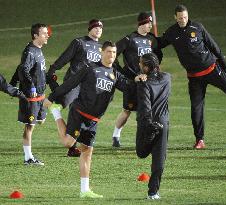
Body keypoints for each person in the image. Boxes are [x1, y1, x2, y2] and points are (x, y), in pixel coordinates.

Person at [43, 41, 146, 199]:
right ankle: (56, 112)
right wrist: (51, 98)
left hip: (94, 120)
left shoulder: (115, 74)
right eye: (108, 52)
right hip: (79, 112)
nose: (111, 55)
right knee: (68, 143)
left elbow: (128, 87)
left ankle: (84, 190)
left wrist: (140, 81)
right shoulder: (89, 68)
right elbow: (70, 83)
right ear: (102, 52)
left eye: (113, 52)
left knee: (87, 152)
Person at [158, 4, 226, 149]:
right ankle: (199, 140)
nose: (183, 20)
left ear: (187, 16)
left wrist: (224, 64)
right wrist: (148, 39)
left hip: (212, 69)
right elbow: (159, 44)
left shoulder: (197, 27)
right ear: (175, 17)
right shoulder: (171, 32)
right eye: (180, 18)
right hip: (194, 77)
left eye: (185, 17)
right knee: (196, 108)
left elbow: (213, 45)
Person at [46, 19, 103, 157]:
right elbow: (65, 58)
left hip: (88, 88)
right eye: (96, 27)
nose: (98, 30)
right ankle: (47, 109)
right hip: (74, 83)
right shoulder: (79, 42)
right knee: (62, 104)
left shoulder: (101, 47)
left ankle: (72, 147)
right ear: (90, 29)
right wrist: (53, 69)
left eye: (101, 28)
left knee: (79, 114)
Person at [111, 11, 163, 147]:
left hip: (147, 82)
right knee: (127, 111)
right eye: (148, 23)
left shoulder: (152, 40)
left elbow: (157, 57)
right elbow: (113, 54)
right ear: (141, 23)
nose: (150, 26)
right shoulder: (130, 39)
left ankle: (148, 137)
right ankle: (116, 135)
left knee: (147, 111)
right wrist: (124, 73)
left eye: (151, 23)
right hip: (132, 82)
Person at [136, 53, 171, 200]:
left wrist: (138, 81)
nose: (139, 65)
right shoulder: (167, 78)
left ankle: (150, 133)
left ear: (146, 67)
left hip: (148, 123)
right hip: (163, 123)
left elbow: (145, 107)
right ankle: (153, 193)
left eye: (141, 63)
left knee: (141, 153)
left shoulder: (143, 84)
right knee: (159, 159)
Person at [17, 23, 49, 165]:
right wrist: (31, 87)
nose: (47, 35)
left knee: (40, 121)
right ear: (36, 35)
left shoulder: (38, 49)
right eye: (44, 33)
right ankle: (28, 158)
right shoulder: (30, 51)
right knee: (29, 126)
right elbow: (23, 69)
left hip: (40, 95)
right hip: (32, 95)